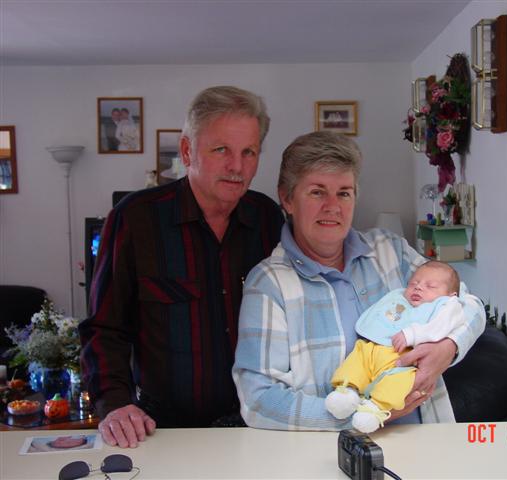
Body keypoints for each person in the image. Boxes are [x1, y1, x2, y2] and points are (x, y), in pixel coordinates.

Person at [232, 131, 485, 430]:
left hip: (426, 435)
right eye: (317, 192)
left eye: (344, 193)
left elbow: (467, 302)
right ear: (287, 198)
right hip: (333, 450)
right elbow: (259, 400)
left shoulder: (390, 251)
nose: (332, 206)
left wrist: (450, 347)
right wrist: (366, 416)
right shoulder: (269, 284)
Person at [80, 86, 284, 448]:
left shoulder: (267, 218)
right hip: (163, 432)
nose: (237, 166)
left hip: (257, 427)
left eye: (248, 152)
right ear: (188, 151)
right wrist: (116, 404)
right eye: (221, 150)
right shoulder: (136, 219)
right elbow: (105, 328)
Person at [325, 261, 476, 433]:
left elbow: (439, 327)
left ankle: (375, 408)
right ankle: (346, 392)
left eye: (430, 286)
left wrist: (412, 334)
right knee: (359, 353)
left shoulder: (447, 307)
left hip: (403, 360)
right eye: (413, 283)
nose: (418, 287)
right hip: (375, 348)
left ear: (451, 295)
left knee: (402, 380)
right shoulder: (399, 300)